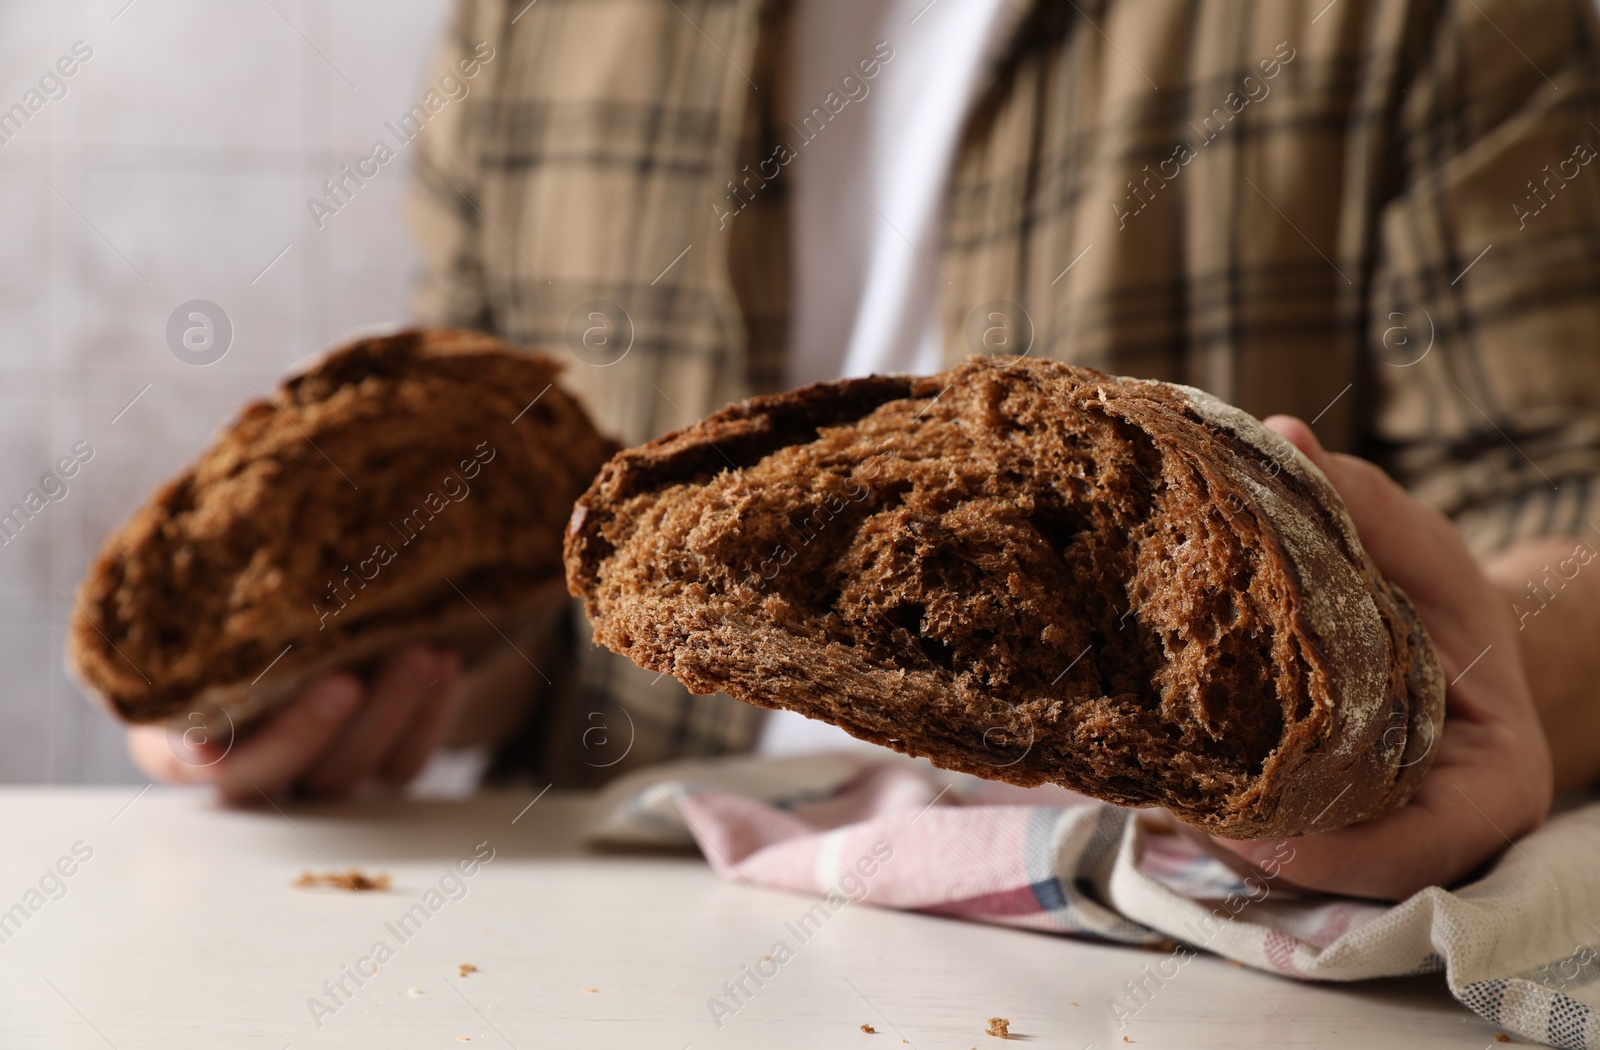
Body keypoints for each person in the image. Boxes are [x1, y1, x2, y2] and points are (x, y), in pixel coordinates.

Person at [128, 0, 1600, 902]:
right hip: (608, 915)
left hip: (1152, 947)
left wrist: (1446, 698)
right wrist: (329, 672)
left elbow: (1569, 489)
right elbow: (516, 547)